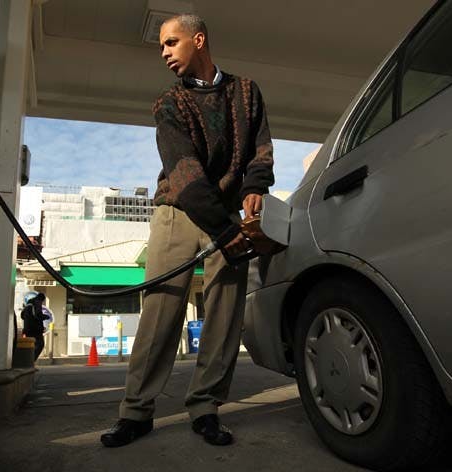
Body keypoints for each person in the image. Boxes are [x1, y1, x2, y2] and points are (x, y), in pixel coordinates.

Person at [100, 13, 274, 448]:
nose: (164, 53)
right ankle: (136, 412)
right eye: (161, 45)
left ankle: (206, 408)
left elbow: (261, 149)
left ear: (198, 40)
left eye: (171, 43)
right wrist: (225, 230)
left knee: (224, 314)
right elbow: (186, 175)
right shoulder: (168, 103)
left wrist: (254, 188)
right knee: (161, 312)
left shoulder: (247, 92)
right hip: (179, 213)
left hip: (229, 213)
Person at [21, 292, 51, 361]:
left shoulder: (28, 304)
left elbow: (22, 316)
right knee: (40, 344)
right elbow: (38, 315)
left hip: (27, 329)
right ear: (42, 299)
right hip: (35, 330)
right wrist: (45, 316)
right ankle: (31, 361)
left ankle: (28, 361)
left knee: (30, 346)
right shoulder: (37, 303)